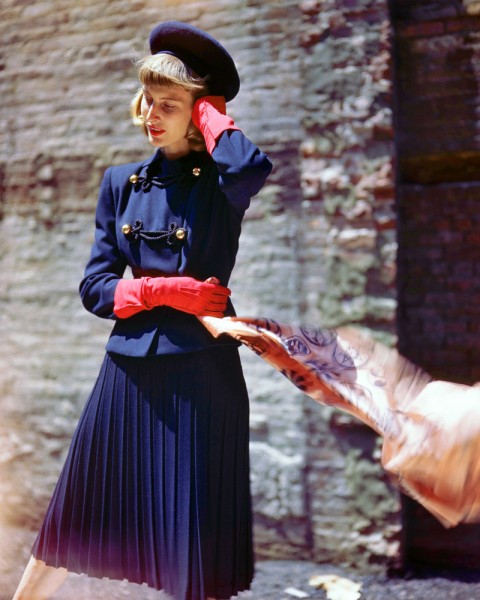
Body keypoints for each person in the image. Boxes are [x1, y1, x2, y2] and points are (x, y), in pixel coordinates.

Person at [13, 20, 272, 600]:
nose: (153, 114)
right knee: (75, 509)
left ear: (199, 110)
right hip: (127, 367)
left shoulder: (219, 184)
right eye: (149, 101)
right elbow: (95, 287)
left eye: (170, 104)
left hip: (201, 370)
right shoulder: (120, 183)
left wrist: (210, 113)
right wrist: (161, 291)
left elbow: (252, 167)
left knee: (194, 535)